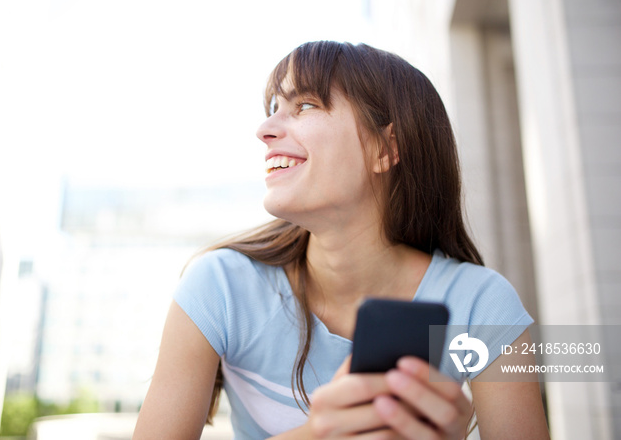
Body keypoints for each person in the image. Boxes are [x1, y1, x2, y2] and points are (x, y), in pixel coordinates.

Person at [133, 41, 549, 439]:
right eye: (274, 108)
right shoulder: (218, 287)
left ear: (385, 149)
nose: (265, 129)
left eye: (305, 105)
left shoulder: (482, 304)